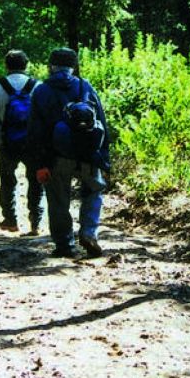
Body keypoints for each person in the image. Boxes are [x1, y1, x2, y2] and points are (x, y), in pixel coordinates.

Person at [28, 48, 110, 258]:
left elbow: (35, 131)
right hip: (88, 154)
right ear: (73, 66)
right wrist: (104, 159)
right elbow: (101, 120)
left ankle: (65, 245)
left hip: (56, 156)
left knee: (58, 200)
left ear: (51, 66)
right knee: (94, 191)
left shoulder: (41, 90)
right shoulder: (85, 86)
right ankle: (89, 233)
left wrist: (39, 163)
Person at [0, 49, 44, 234]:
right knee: (35, 181)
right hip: (32, 143)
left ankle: (10, 220)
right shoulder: (37, 86)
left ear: (6, 65)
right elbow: (43, 117)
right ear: (26, 65)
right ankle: (36, 223)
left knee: (8, 181)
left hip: (6, 142)